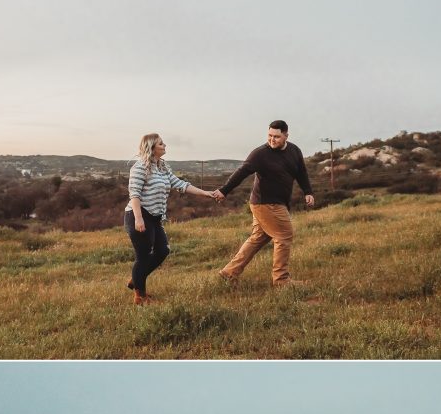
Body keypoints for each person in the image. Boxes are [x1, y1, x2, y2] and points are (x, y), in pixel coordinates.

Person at [212, 120, 315, 286]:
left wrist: (308, 191)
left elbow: (301, 172)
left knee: (258, 238)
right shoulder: (260, 154)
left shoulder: (294, 150)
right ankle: (281, 280)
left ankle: (229, 273)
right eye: (269, 135)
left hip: (277, 202)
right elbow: (241, 172)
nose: (272, 140)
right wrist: (224, 190)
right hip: (265, 203)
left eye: (276, 136)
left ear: (286, 136)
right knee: (284, 235)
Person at [125, 133, 215, 305]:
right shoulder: (140, 167)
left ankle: (137, 278)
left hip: (155, 218)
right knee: (143, 257)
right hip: (139, 215)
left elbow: (180, 184)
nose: (165, 145)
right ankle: (140, 296)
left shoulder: (162, 167)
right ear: (152, 147)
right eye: (161, 143)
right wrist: (138, 219)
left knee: (163, 251)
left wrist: (206, 194)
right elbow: (134, 195)